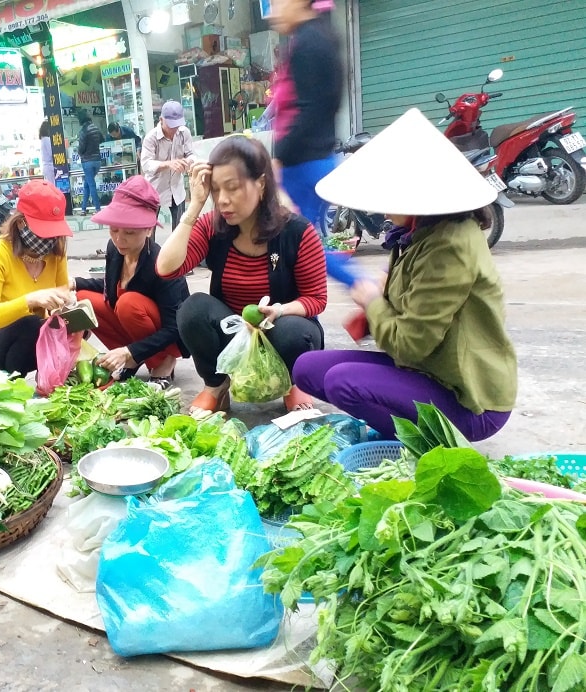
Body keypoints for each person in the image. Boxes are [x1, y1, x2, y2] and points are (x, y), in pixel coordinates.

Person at [294, 108, 517, 441]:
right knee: (307, 368)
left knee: (343, 382)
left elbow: (409, 345)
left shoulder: (449, 247)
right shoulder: (418, 233)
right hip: (428, 372)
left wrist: (373, 302)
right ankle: (397, 420)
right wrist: (379, 298)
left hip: (470, 400)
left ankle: (417, 444)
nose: (380, 207)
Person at [156, 134, 327, 415]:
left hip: (279, 328)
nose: (222, 201)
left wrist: (280, 311)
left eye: (232, 188)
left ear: (260, 184)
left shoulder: (297, 232)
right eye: (216, 190)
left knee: (298, 334)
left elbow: (316, 299)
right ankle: (216, 386)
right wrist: (194, 206)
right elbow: (167, 268)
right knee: (192, 309)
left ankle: (293, 384)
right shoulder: (213, 227)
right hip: (232, 334)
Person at [71, 176, 188, 389]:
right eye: (114, 230)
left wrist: (130, 351)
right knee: (83, 300)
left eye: (129, 232)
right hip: (134, 326)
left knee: (128, 303)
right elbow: (110, 286)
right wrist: (74, 283)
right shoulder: (114, 250)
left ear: (149, 229)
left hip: (167, 335)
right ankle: (132, 359)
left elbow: (175, 328)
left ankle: (162, 362)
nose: (119, 239)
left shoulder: (162, 264)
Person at [0, 180, 72, 376]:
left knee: (73, 325)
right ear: (21, 222)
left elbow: (61, 299)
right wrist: (30, 300)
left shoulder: (56, 253)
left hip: (30, 341)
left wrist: (68, 308)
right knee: (30, 323)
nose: (50, 240)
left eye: (54, 233)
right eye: (44, 231)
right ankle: (14, 388)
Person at [268, 0, 342, 229]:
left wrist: (279, 155)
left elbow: (310, 110)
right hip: (314, 160)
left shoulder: (309, 43)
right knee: (310, 244)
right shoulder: (316, 36)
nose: (273, 13)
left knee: (301, 245)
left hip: (303, 165)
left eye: (277, 3)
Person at [141, 101, 196, 234]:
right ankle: (149, 254)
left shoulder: (184, 133)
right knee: (148, 231)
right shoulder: (151, 138)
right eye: (171, 126)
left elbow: (192, 154)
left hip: (177, 188)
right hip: (155, 188)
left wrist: (187, 162)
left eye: (177, 125)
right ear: (161, 120)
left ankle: (176, 254)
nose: (174, 129)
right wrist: (167, 164)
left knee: (180, 229)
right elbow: (146, 164)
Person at [76, 110, 103, 214]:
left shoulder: (83, 131)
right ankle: (83, 209)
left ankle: (98, 209)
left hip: (87, 162)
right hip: (97, 161)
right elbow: (102, 139)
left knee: (91, 185)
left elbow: (81, 148)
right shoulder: (95, 128)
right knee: (87, 184)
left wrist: (79, 152)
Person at [39, 120, 55, 187]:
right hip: (50, 166)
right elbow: (51, 153)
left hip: (46, 166)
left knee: (49, 186)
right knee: (52, 186)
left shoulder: (43, 139)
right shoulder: (47, 139)